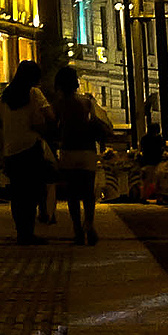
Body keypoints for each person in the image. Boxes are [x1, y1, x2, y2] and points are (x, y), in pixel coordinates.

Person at [0, 60, 55, 245]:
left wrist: (8, 128)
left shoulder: (6, 95)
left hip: (11, 151)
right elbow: (50, 115)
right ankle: (29, 232)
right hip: (30, 149)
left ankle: (21, 232)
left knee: (18, 195)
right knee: (33, 192)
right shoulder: (34, 93)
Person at [52, 65, 112, 245]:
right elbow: (98, 122)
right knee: (87, 193)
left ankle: (77, 230)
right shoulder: (87, 102)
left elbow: (53, 127)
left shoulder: (59, 105)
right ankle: (90, 224)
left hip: (68, 151)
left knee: (72, 194)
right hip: (87, 152)